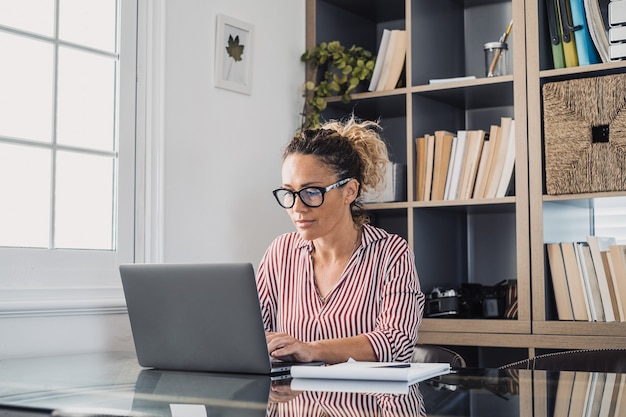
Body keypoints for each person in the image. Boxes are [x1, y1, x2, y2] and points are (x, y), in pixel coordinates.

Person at [257, 116, 424, 365]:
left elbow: (395, 341)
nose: (297, 207)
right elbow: (251, 335)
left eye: (312, 192)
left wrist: (311, 350)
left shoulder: (391, 253)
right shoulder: (281, 252)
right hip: (295, 402)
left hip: (368, 402)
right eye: (289, 193)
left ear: (350, 191)